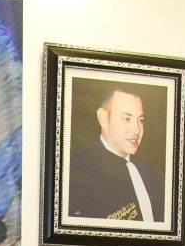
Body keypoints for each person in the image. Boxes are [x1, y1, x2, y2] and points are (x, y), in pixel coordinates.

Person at [66, 86, 160, 223]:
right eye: (127, 119)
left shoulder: (147, 168)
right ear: (103, 118)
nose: (137, 130)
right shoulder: (78, 175)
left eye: (140, 120)